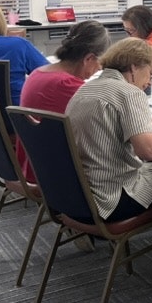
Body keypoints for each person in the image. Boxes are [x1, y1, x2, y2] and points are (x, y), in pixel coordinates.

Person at [65, 37, 152, 289]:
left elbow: (110, 120)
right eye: (150, 72)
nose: (150, 81)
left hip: (78, 196)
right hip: (112, 200)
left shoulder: (87, 88)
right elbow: (150, 151)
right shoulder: (129, 93)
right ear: (134, 67)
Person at [18, 20, 110, 183]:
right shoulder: (67, 85)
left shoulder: (38, 73)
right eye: (100, 63)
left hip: (35, 164)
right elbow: (112, 118)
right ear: (88, 58)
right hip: (58, 175)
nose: (99, 69)